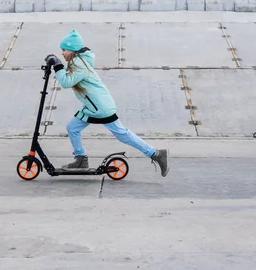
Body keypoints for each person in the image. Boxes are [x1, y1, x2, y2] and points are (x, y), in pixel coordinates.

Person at [44, 29, 170, 177]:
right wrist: (57, 64)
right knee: (72, 127)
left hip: (100, 107)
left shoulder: (80, 64)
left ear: (72, 50)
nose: (62, 53)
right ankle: (81, 159)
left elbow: (66, 82)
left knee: (122, 134)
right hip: (92, 106)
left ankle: (156, 154)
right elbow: (68, 77)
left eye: (64, 50)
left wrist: (57, 65)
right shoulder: (78, 62)